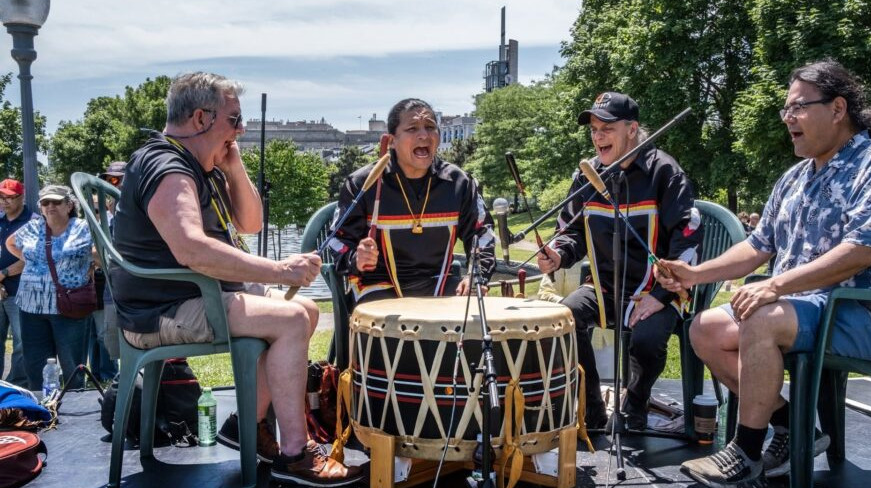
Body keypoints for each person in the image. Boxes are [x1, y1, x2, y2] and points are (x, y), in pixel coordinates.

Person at [657, 59, 871, 487]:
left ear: (838, 109)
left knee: (761, 318)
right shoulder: (795, 178)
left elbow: (864, 251)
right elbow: (757, 246)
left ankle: (746, 453)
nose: (788, 119)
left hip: (868, 314)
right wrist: (694, 275)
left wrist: (775, 285)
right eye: (786, 110)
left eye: (798, 108)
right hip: (802, 308)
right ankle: (792, 424)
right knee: (704, 329)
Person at [110, 72, 362, 486]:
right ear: (200, 118)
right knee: (291, 319)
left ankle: (244, 426)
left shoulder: (199, 165)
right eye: (235, 119)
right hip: (162, 312)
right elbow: (193, 250)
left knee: (305, 308)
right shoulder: (167, 165)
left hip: (195, 298)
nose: (242, 129)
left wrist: (233, 162)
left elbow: (249, 221)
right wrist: (281, 270)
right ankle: (296, 456)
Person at [536, 92, 702, 431]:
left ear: (632, 129)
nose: (598, 137)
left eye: (606, 128)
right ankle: (592, 411)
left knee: (644, 340)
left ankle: (634, 406)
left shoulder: (665, 172)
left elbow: (686, 239)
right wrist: (557, 254)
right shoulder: (587, 176)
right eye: (594, 130)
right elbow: (571, 233)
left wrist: (660, 296)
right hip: (604, 287)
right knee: (562, 321)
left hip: (659, 289)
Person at [331, 98, 496, 302]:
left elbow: (482, 233)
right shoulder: (362, 183)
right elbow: (337, 241)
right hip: (377, 284)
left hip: (440, 281)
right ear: (391, 140)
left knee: (476, 316)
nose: (424, 135)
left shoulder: (459, 183)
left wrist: (476, 275)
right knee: (389, 328)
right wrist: (356, 258)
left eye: (430, 127)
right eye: (412, 128)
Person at [5, 185, 93, 391]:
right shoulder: (33, 226)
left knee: (73, 368)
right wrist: (30, 261)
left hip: (69, 307)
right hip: (31, 307)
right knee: (36, 366)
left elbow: (99, 253)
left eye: (56, 202)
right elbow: (11, 243)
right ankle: (41, 411)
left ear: (69, 205)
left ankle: (75, 408)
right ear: (41, 207)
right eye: (45, 202)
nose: (50, 206)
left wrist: (89, 265)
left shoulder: (83, 227)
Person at [88, 162, 126, 382]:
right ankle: (119, 384)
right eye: (111, 180)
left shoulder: (148, 203)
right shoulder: (110, 214)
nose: (116, 185)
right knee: (111, 340)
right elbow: (100, 251)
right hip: (114, 288)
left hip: (140, 290)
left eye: (120, 179)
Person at [0, 178, 36, 387]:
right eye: (1, 197)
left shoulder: (33, 221)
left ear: (21, 197)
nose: (4, 202)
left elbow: (33, 257)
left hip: (22, 292)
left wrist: (3, 273)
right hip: (2, 290)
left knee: (22, 342)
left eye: (9, 198)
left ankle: (18, 384)